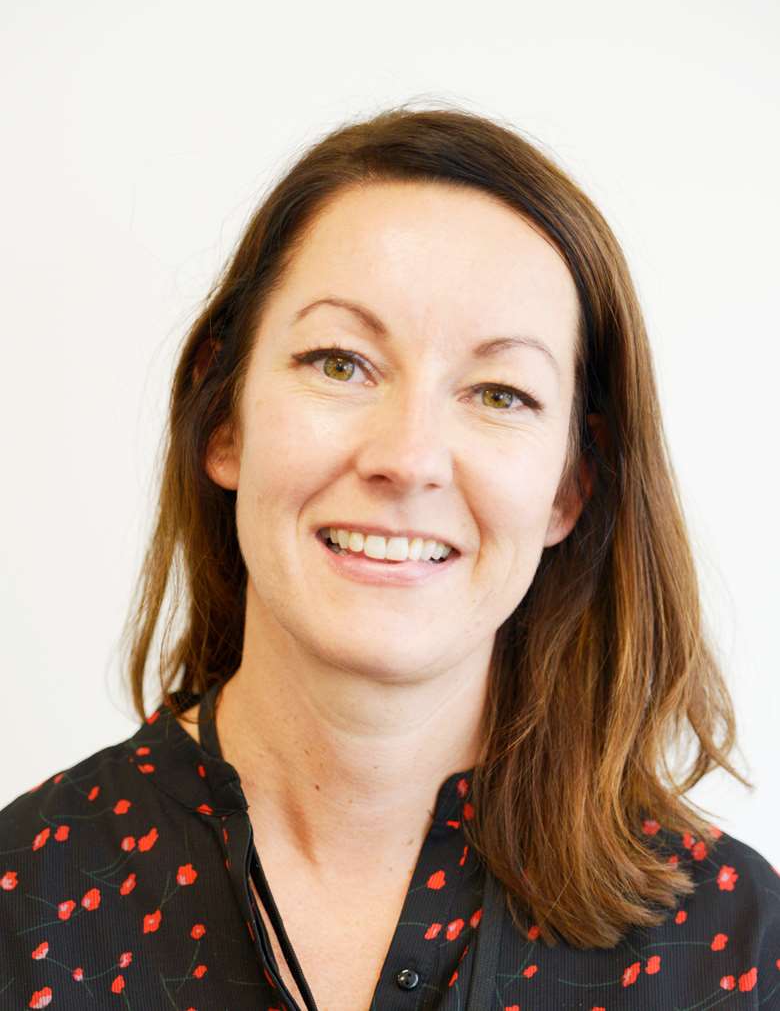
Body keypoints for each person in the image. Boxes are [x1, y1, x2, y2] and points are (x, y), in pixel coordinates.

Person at [1, 106, 778, 1011]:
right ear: (224, 418)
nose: (407, 459)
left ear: (571, 484)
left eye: (499, 392)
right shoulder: (22, 910)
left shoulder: (735, 949)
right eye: (341, 363)